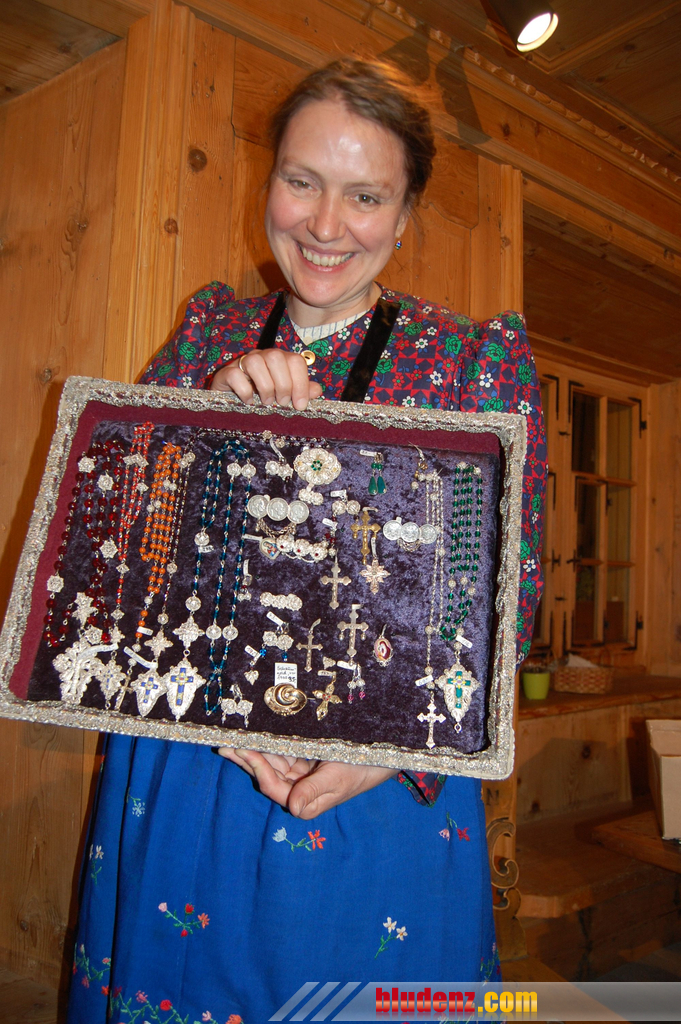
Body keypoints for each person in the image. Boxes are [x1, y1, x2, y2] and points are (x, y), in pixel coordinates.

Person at [66, 59, 546, 1023]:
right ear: (269, 183)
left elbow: (505, 595)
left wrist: (393, 752)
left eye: (365, 196)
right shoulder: (205, 337)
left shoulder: (468, 362)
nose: (326, 225)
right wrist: (203, 427)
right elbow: (107, 559)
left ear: (404, 216)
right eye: (301, 181)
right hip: (194, 765)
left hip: (378, 788)